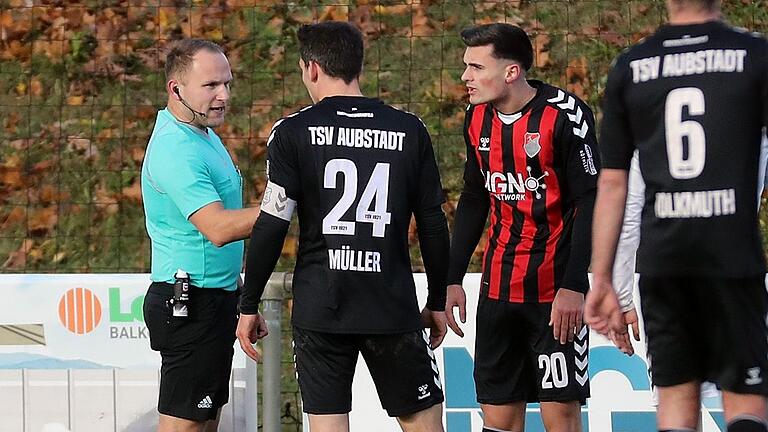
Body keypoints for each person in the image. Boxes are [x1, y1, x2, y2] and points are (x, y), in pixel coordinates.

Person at [236, 22, 449, 432]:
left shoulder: (293, 130)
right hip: (391, 304)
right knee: (423, 423)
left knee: (328, 426)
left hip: (321, 306)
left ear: (312, 69)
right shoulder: (408, 129)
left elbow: (272, 223)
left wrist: (249, 304)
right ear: (357, 66)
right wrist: (437, 299)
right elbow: (433, 224)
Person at [585, 0, 768, 430]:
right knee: (747, 403)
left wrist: (605, 278)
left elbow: (614, 185)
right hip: (732, 256)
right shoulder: (755, 56)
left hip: (665, 263)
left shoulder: (631, 65)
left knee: (675, 404)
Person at [445, 23, 599, 432]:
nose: (466, 78)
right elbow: (475, 196)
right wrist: (453, 277)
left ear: (511, 73)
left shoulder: (565, 116)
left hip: (554, 295)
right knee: (497, 419)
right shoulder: (475, 118)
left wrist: (574, 286)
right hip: (497, 290)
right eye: (466, 67)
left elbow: (591, 202)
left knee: (561, 416)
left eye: (476, 67)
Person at [140, 39, 263, 432]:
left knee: (206, 421)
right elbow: (218, 227)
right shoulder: (176, 148)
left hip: (214, 297)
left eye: (227, 83)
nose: (223, 95)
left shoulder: (202, 133)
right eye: (211, 86)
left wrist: (243, 297)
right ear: (176, 89)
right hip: (190, 301)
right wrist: (290, 206)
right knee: (186, 425)